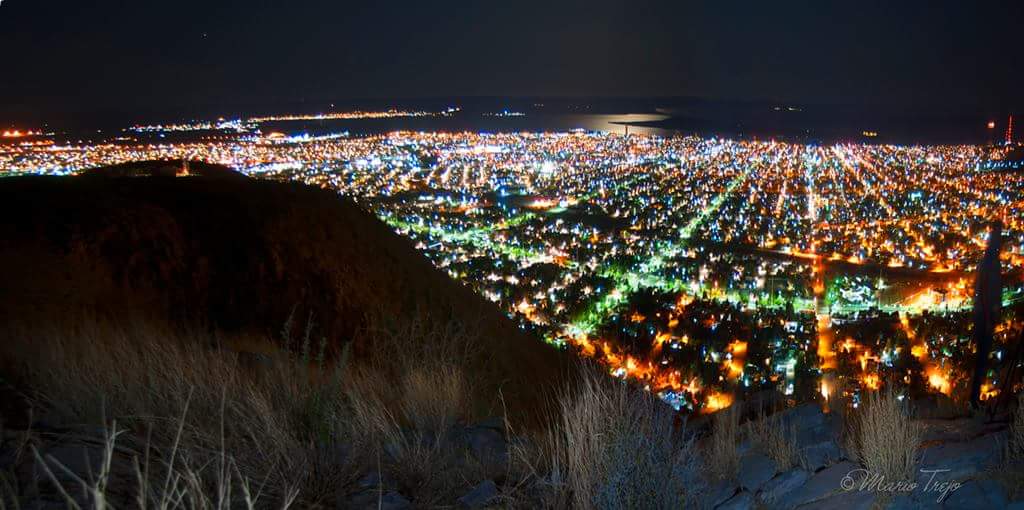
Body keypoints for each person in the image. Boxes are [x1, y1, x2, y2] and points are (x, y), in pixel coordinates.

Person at [970, 221, 1002, 408]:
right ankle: (974, 400)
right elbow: (986, 291)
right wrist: (990, 316)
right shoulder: (991, 262)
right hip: (985, 316)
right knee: (982, 358)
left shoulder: (987, 260)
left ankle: (974, 399)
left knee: (982, 358)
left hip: (983, 314)